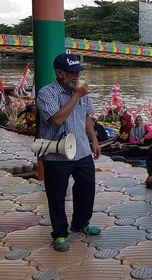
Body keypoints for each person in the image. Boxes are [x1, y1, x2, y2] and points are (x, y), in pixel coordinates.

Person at [36, 53, 102, 252]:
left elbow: (87, 117)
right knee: (56, 195)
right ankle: (60, 234)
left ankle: (81, 222)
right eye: (72, 73)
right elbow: (56, 119)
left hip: (81, 150)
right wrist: (75, 96)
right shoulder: (46, 93)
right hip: (56, 153)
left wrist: (94, 140)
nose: (76, 76)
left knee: (86, 188)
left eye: (78, 72)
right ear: (59, 73)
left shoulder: (81, 92)